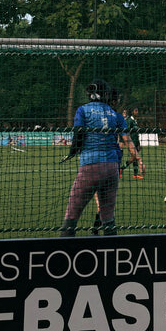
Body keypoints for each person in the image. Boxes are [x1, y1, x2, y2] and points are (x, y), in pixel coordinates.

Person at [60, 80, 141, 237]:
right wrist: (138, 158)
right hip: (112, 168)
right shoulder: (116, 115)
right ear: (105, 94)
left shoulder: (82, 110)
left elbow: (78, 134)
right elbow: (127, 139)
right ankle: (112, 256)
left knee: (71, 216)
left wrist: (72, 152)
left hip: (90, 165)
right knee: (108, 218)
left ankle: (63, 255)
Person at [124, 107, 144, 178]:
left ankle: (122, 169)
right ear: (132, 112)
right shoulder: (129, 120)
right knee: (134, 158)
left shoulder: (135, 120)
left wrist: (138, 144)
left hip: (136, 141)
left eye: (137, 110)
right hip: (131, 142)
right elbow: (127, 132)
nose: (137, 112)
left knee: (133, 158)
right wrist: (129, 143)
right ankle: (135, 174)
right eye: (136, 111)